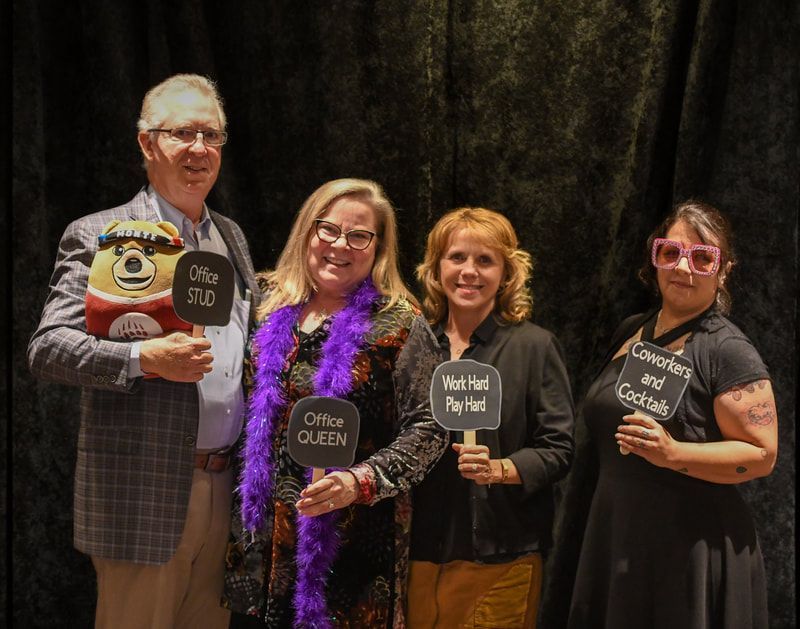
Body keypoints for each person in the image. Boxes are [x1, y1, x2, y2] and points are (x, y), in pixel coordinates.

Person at [27, 74, 259, 629]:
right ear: (146, 143)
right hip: (146, 492)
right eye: (183, 133)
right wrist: (143, 360)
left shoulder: (231, 237)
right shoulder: (100, 233)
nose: (200, 149)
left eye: (212, 135)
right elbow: (48, 347)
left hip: (225, 485)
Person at [223, 178, 448, 628]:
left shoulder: (399, 322)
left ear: (378, 247)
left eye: (359, 235)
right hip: (259, 550)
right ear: (307, 231)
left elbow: (431, 427)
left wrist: (360, 481)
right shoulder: (268, 308)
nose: (339, 245)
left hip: (350, 552)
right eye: (328, 229)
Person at [563, 201, 778, 627]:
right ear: (654, 257)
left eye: (702, 257)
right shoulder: (633, 330)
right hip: (621, 531)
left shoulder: (727, 350)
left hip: (689, 549)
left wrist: (673, 452)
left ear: (724, 270)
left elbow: (762, 455)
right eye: (671, 252)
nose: (683, 267)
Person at [407, 207, 575, 628]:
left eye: (485, 260)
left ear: (507, 272)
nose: (469, 272)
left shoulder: (534, 347)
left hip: (500, 558)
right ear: (435, 267)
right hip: (416, 552)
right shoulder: (413, 343)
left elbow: (559, 448)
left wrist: (500, 469)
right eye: (457, 257)